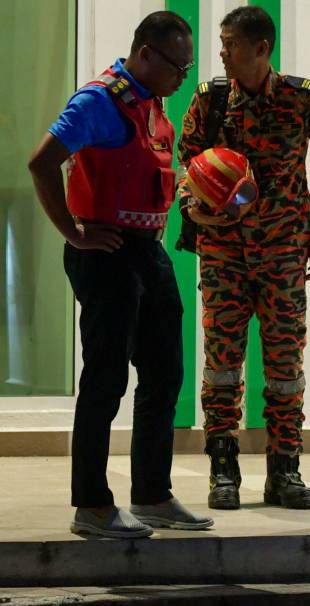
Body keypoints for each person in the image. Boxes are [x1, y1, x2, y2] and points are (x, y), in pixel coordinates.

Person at [27, 11, 212, 538]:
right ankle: (91, 506)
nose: (183, 76)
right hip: (104, 252)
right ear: (146, 54)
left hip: (147, 252)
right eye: (177, 65)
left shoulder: (154, 106)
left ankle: (152, 494)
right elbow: (41, 163)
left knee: (165, 375)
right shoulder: (98, 101)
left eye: (188, 65)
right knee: (106, 379)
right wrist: (73, 232)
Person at [177, 6, 310, 511]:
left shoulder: (303, 95)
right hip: (224, 255)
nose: (222, 51)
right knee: (221, 365)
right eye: (222, 43)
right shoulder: (211, 99)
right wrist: (194, 211)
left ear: (261, 47)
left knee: (285, 366)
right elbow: (185, 161)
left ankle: (285, 469)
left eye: (230, 43)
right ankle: (222, 470)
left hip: (285, 253)